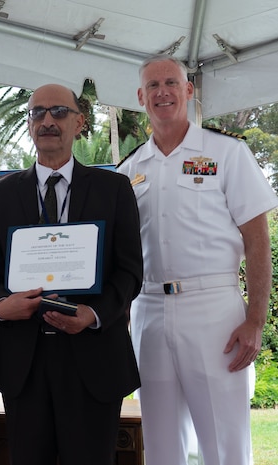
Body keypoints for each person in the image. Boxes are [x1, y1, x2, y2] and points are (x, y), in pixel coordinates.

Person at [117, 54, 278, 465]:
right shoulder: (128, 170)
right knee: (161, 442)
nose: (162, 92)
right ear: (140, 96)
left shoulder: (226, 153)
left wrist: (256, 319)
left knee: (224, 443)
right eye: (152, 86)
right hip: (149, 308)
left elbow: (258, 241)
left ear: (188, 90)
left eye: (171, 82)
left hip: (214, 308)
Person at [0, 84, 143, 465]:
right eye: (38, 113)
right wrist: (1, 305)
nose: (47, 121)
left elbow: (130, 271)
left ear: (79, 122)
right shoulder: (1, 195)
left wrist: (93, 314)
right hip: (24, 361)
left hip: (94, 357)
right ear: (29, 123)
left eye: (59, 112)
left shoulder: (114, 188)